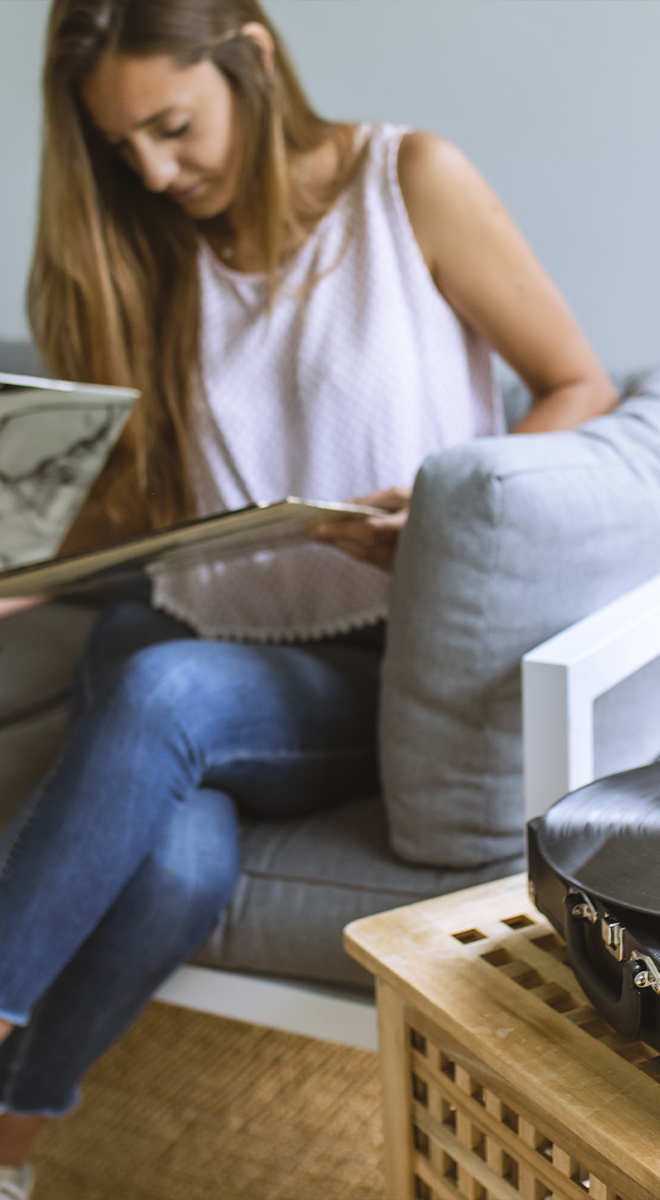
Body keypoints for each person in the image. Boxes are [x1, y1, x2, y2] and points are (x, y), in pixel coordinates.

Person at [0, 0, 617, 1192]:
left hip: (360, 657)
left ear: (253, 53)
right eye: (122, 148)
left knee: (162, 694)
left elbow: (578, 385)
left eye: (173, 127)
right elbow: (126, 511)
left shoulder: (409, 181)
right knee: (180, 865)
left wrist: (445, 516)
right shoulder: (148, 241)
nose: (154, 169)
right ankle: (12, 1141)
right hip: (177, 626)